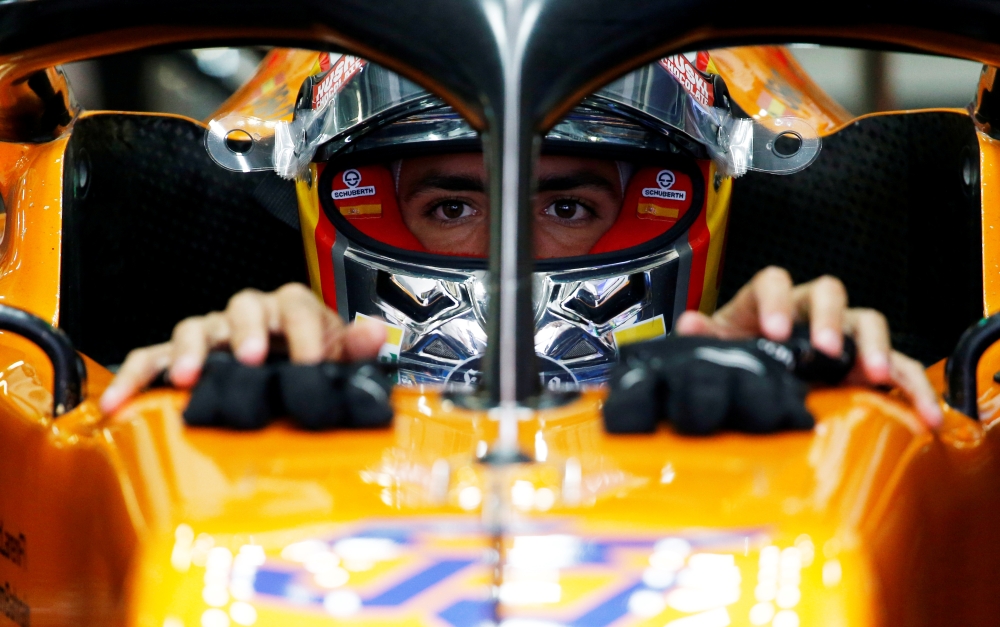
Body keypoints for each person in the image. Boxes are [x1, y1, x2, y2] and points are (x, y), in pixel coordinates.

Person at [99, 53, 943, 428]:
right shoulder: (236, 403)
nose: (510, 252)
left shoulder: (805, 406)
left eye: (569, 206)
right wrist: (189, 402)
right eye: (452, 205)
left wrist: (838, 400)